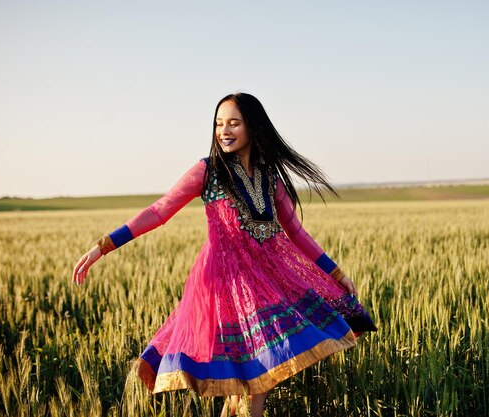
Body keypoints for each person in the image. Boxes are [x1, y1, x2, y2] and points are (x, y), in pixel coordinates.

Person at [72, 92, 377, 417]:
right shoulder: (207, 171)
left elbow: (296, 233)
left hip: (265, 280)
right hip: (222, 285)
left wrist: (337, 273)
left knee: (253, 379)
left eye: (233, 122)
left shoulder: (268, 176)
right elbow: (158, 211)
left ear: (253, 127)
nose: (224, 130)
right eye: (219, 123)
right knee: (257, 375)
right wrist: (103, 246)